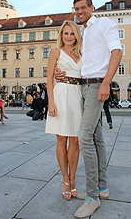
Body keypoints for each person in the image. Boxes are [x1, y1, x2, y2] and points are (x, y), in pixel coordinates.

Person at [55, 0, 122, 218]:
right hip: (81, 87)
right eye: (76, 8)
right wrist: (59, 71)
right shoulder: (80, 32)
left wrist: (106, 83)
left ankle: (92, 197)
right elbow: (76, 60)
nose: (80, 11)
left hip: (96, 86)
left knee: (83, 136)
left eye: (83, 7)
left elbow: (117, 52)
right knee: (96, 136)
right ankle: (102, 189)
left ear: (91, 7)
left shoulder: (103, 23)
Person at [45, 20, 83, 201]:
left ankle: (73, 177)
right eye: (66, 33)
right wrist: (51, 103)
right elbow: (49, 80)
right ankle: (65, 179)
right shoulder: (55, 52)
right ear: (61, 35)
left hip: (77, 95)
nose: (69, 37)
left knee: (75, 140)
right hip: (60, 95)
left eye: (72, 33)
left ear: (77, 36)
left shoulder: (81, 53)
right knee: (61, 139)